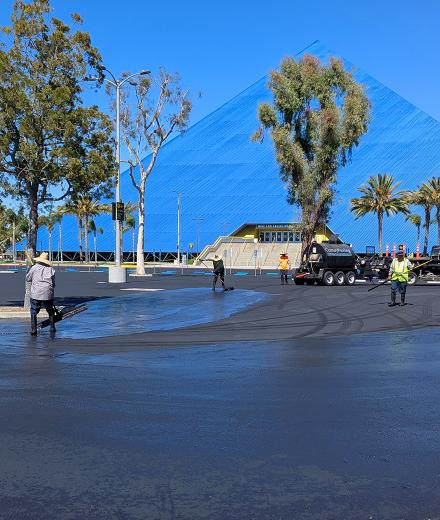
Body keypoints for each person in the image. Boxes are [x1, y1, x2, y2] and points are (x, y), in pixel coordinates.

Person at [26, 252, 56, 335]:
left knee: (34, 310)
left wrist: (30, 270)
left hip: (36, 292)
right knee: (50, 310)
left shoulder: (34, 268)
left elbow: (28, 278)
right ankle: (52, 327)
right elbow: (53, 283)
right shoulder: (51, 269)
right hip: (47, 292)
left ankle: (33, 330)